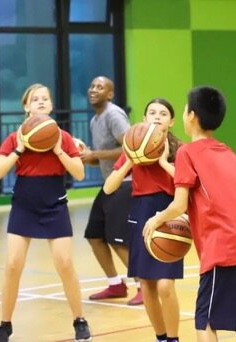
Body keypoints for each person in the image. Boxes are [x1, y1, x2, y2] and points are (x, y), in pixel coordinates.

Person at [143, 87, 236, 342]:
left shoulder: (187, 151)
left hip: (224, 247)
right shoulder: (228, 152)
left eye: (186, 109)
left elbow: (179, 205)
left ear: (192, 116)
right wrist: (166, 164)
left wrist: (157, 219)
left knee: (205, 321)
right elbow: (218, 193)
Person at [0, 84, 91, 342]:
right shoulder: (15, 138)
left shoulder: (63, 137)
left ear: (51, 105)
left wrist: (58, 150)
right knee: (13, 265)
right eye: (35, 99)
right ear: (26, 107)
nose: (41, 102)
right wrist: (19, 149)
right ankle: (5, 324)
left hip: (54, 203)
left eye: (46, 98)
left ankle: (79, 320)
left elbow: (79, 173)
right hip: (24, 203)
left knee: (65, 264)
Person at [104, 98, 183, 342]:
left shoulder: (180, 149)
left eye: (162, 113)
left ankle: (173, 338)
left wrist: (163, 162)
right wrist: (130, 158)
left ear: (171, 121)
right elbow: (109, 187)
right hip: (140, 213)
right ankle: (160, 337)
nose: (157, 116)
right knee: (147, 285)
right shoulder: (133, 148)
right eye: (151, 113)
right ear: (144, 120)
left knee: (165, 286)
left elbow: (190, 182)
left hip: (169, 216)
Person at [80, 76, 142, 305]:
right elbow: (105, 156)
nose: (94, 89)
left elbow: (130, 147)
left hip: (126, 182)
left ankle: (143, 285)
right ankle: (116, 284)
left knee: (118, 239)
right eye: (92, 85)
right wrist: (89, 158)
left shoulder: (113, 115)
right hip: (110, 183)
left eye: (100, 87)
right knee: (94, 234)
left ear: (110, 94)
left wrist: (95, 154)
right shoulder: (95, 120)